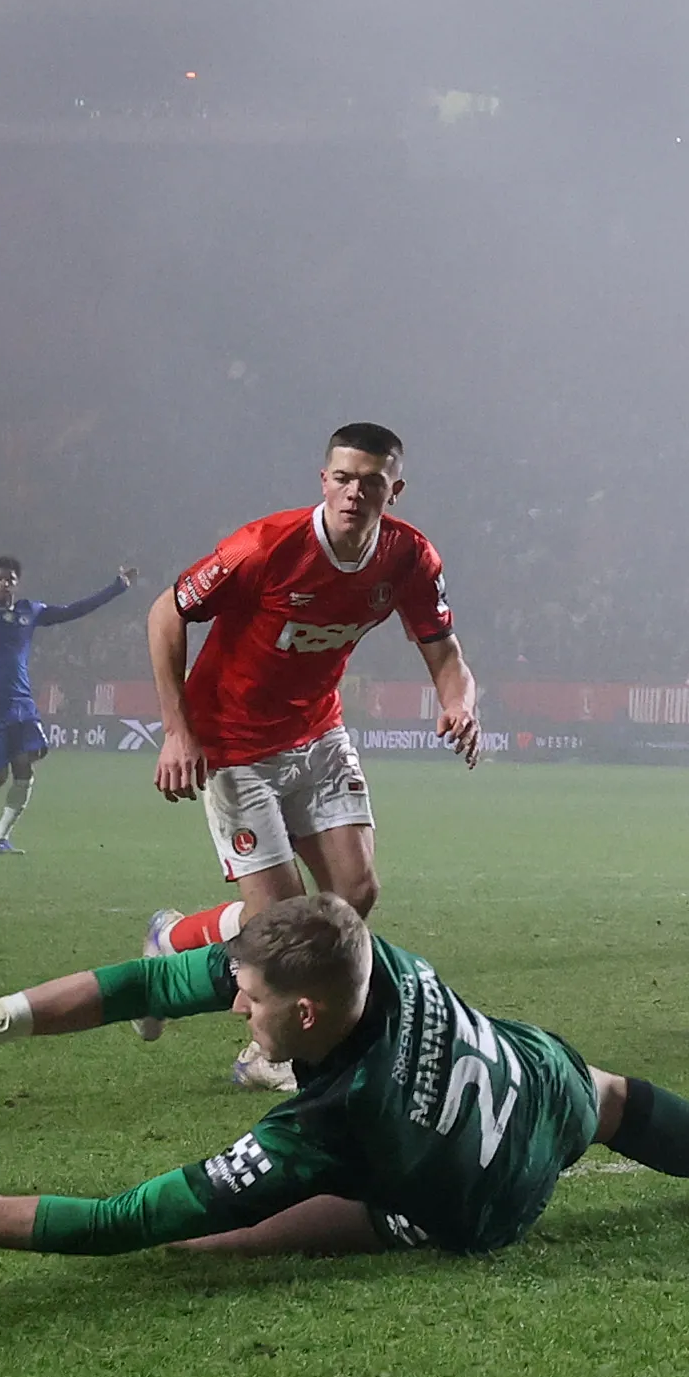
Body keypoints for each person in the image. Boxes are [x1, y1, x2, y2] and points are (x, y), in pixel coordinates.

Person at [0, 890, 689, 1257]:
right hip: (540, 1087)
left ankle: (400, 1220)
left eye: (244, 1004)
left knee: (204, 1235)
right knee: (612, 1096)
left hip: (472, 1211)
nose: (230, 1010)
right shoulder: (360, 955)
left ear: (303, 1013)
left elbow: (121, 1220)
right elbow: (144, 989)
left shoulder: (326, 1125)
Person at [139, 421, 480, 1092]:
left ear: (395, 490)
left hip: (318, 734)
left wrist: (459, 702)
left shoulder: (410, 559)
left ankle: (190, 959)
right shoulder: (263, 548)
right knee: (282, 920)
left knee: (354, 895)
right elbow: (165, 613)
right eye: (343, 478)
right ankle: (234, 1017)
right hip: (235, 744)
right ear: (324, 480)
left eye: (371, 482)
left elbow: (445, 653)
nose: (354, 493)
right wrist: (178, 732)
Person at [0, 553, 136, 853]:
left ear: (17, 583)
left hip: (22, 705)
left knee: (26, 767)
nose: (5, 583)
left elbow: (73, 611)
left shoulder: (30, 611)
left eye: (10, 579)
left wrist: (117, 587)